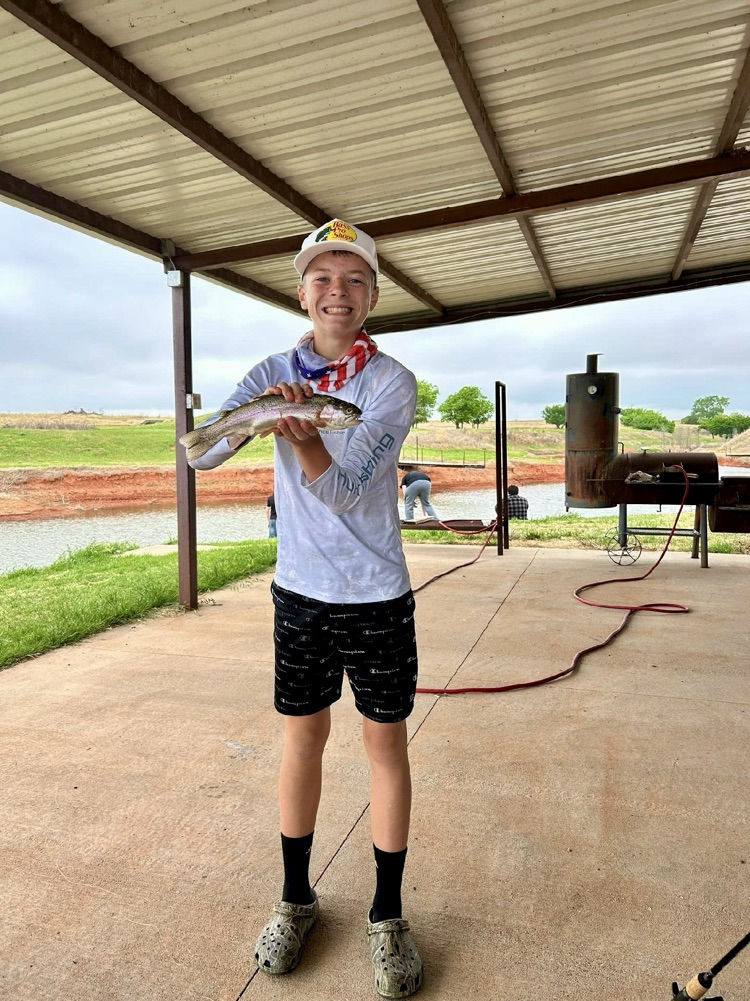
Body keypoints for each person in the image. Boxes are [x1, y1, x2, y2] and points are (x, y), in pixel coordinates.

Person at [187, 219, 423, 998]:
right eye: (322, 277)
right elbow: (210, 448)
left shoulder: (388, 383)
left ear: (373, 296)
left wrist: (305, 438)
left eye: (354, 279)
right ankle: (296, 897)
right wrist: (235, 428)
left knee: (384, 745)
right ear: (301, 291)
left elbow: (349, 489)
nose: (337, 291)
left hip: (375, 594)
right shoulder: (273, 370)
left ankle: (387, 914)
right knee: (303, 739)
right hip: (300, 593)